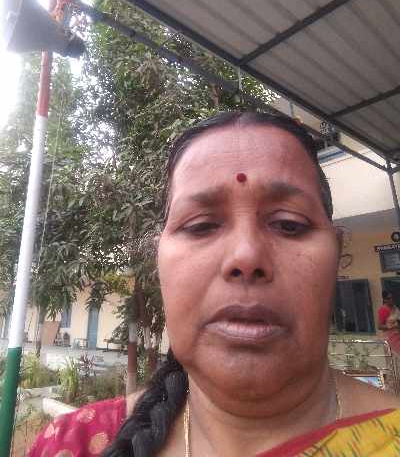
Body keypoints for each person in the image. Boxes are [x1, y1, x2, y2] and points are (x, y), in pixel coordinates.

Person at [29, 111, 400, 457]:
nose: (246, 256)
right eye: (201, 226)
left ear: (337, 254)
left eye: (289, 224)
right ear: (159, 261)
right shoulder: (74, 445)